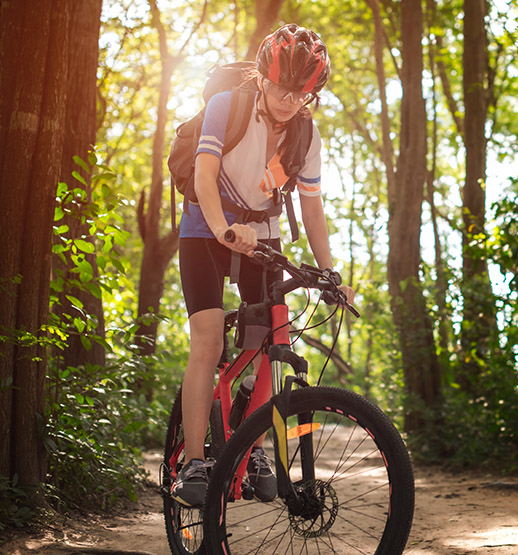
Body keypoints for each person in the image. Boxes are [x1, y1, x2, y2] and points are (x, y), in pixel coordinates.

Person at [171, 24, 354, 507]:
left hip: (265, 236)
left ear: (311, 93)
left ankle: (250, 450)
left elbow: (312, 210)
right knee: (208, 340)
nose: (286, 99)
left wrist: (329, 272)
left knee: (267, 343)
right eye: (277, 87)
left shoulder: (306, 134)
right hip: (204, 228)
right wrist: (223, 229)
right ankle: (194, 463)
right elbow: (204, 177)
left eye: (299, 93)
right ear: (260, 76)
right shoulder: (226, 106)